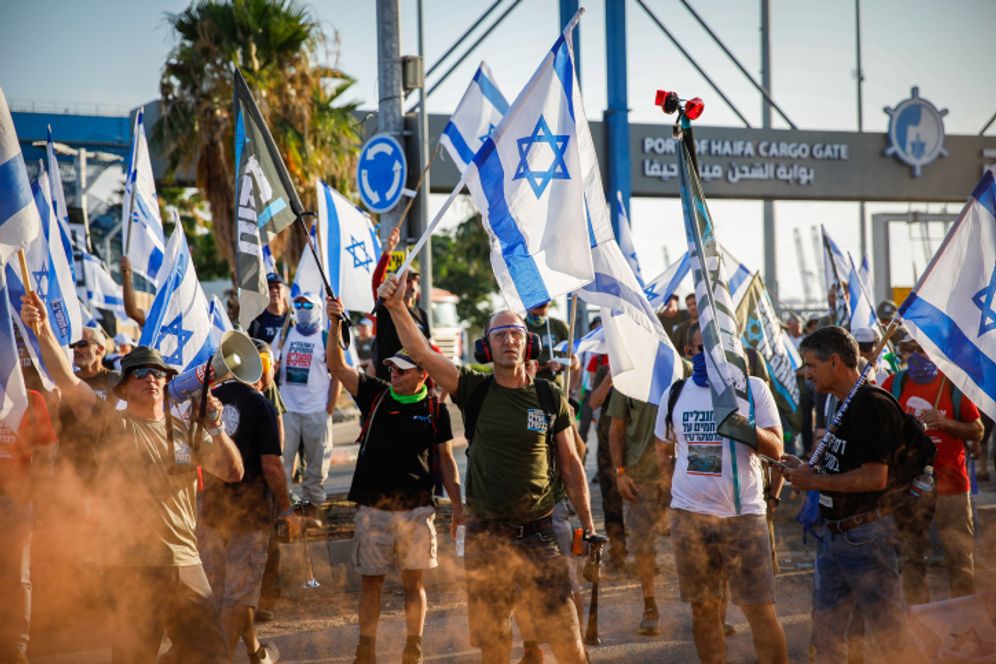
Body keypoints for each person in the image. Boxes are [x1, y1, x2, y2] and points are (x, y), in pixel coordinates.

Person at [377, 271, 594, 664]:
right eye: (500, 334)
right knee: (494, 646)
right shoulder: (475, 388)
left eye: (516, 333)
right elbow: (422, 352)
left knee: (567, 641)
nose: (509, 340)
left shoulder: (549, 396)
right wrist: (396, 307)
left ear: (528, 343)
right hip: (487, 536)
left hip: (540, 535)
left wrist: (590, 528)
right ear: (486, 346)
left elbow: (571, 464)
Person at [21, 291, 243, 662]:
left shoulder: (187, 429)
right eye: (140, 373)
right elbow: (65, 377)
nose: (150, 379)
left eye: (157, 372)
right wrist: (42, 329)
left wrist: (217, 427)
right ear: (124, 386)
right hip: (132, 569)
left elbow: (234, 473)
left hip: (186, 563)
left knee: (212, 655)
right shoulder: (112, 423)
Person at [325, 295, 463, 664]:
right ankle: (365, 650)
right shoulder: (374, 394)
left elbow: (446, 462)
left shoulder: (435, 409)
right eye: (392, 368)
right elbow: (336, 366)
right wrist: (334, 323)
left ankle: (412, 648)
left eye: (402, 369)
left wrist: (460, 506)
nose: (394, 374)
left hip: (418, 512)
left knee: (413, 584)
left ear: (422, 374)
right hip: (374, 511)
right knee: (371, 584)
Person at [782, 326, 923, 664]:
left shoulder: (872, 405)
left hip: (867, 538)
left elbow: (875, 478)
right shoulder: (839, 403)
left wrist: (813, 483)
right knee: (827, 636)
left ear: (834, 362)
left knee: (889, 635)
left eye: (811, 365)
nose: (806, 373)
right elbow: (841, 465)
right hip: (835, 537)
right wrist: (804, 468)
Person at [654, 323, 787, 664]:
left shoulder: (753, 389)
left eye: (720, 349)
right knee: (704, 610)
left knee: (758, 609)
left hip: (743, 519)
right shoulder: (675, 394)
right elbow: (662, 450)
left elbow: (776, 448)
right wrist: (676, 494)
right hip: (691, 520)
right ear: (689, 352)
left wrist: (741, 424)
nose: (711, 357)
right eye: (702, 349)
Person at [198, 370, 300, 663]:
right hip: (250, 510)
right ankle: (221, 659)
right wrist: (286, 508)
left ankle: (255, 651)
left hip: (212, 509)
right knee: (238, 595)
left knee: (218, 592)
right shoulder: (260, 403)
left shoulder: (210, 398)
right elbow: (271, 465)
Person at [882, 339, 983, 605]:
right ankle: (920, 621)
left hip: (952, 486)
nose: (916, 355)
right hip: (909, 487)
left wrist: (946, 423)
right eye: (911, 349)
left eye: (922, 349)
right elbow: (879, 428)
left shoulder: (953, 384)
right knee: (910, 556)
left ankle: (964, 619)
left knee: (959, 556)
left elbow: (978, 430)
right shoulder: (893, 385)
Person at [0, 362, 57, 664]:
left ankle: (15, 645)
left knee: (17, 577)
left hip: (16, 500)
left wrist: (38, 497)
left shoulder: (32, 399)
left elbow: (47, 453)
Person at [274, 292, 338, 511]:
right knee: (283, 461)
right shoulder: (285, 334)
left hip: (316, 409)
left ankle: (314, 506)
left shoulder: (325, 338)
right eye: (298, 303)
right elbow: (272, 364)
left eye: (307, 304)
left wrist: (330, 407)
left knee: (317, 465)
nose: (301, 307)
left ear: (318, 309)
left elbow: (337, 373)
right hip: (287, 409)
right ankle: (283, 506)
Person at [608, 391, 663, 635]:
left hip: (683, 476)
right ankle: (649, 606)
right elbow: (616, 428)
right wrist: (620, 472)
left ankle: (712, 610)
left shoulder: (684, 369)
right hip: (640, 478)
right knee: (642, 546)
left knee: (700, 544)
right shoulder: (627, 378)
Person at [524, 301, 571, 385]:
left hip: (555, 384)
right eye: (535, 315)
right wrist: (544, 367)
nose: (539, 317)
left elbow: (575, 361)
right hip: (529, 384)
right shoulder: (521, 328)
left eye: (542, 315)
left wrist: (560, 365)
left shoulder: (559, 326)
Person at [248, 273, 290, 344]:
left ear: (285, 291)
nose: (274, 291)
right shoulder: (257, 321)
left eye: (277, 287)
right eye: (269, 288)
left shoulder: (293, 319)